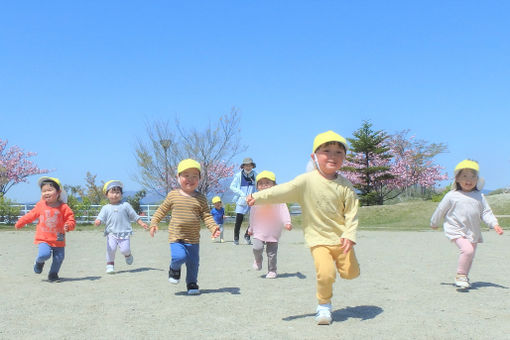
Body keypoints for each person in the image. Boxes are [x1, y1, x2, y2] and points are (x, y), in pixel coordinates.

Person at [247, 131, 360, 325]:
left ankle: (346, 269)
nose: (333, 156)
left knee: (351, 273)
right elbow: (281, 191)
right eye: (327, 151)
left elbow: (352, 213)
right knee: (325, 273)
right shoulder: (306, 181)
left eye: (338, 152)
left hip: (341, 240)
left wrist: (349, 234)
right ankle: (324, 306)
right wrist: (257, 198)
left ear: (344, 157)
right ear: (314, 156)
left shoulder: (346, 186)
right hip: (318, 240)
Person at [149, 159, 220, 295]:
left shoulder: (201, 198)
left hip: (193, 239)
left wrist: (213, 228)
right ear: (178, 177)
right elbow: (161, 210)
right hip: (176, 236)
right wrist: (154, 223)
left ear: (199, 178)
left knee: (193, 263)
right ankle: (174, 268)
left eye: (194, 176)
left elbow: (206, 215)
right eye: (186, 176)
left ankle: (192, 283)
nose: (190, 179)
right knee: (179, 257)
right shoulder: (173, 195)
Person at [431, 159, 503, 289]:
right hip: (456, 229)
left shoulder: (479, 196)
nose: (468, 180)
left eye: (472, 176)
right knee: (467, 250)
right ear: (457, 178)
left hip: (472, 231)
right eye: (464, 176)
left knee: (469, 255)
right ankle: (460, 275)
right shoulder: (451, 195)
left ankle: (464, 276)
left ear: (477, 179)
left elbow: (486, 212)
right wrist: (434, 222)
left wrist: (494, 224)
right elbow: (440, 210)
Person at [14, 177, 76, 282]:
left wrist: (69, 225)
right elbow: (31, 215)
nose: (46, 193)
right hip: (44, 238)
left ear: (58, 192)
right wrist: (21, 222)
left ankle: (53, 274)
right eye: (44, 191)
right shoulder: (40, 205)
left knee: (59, 258)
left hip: (59, 237)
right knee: (44, 254)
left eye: (49, 190)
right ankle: (39, 262)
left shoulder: (64, 207)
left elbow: (71, 220)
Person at [94, 180, 149, 274]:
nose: (115, 195)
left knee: (125, 249)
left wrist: (141, 223)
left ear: (121, 194)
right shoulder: (105, 208)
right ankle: (110, 265)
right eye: (112, 192)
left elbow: (134, 215)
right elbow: (101, 217)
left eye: (117, 192)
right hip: (111, 232)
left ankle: (128, 255)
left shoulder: (125, 205)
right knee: (111, 249)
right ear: (106, 194)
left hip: (124, 232)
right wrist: (98, 221)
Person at [247, 170, 292, 279]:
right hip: (259, 229)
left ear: (274, 185)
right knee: (257, 248)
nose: (264, 186)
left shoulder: (278, 199)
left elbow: (283, 210)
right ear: (257, 187)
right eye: (261, 183)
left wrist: (287, 222)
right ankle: (258, 259)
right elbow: (252, 215)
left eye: (267, 183)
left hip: (274, 230)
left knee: (272, 253)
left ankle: (272, 270)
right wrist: (251, 228)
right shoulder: (256, 200)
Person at [230, 157, 257, 245]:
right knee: (239, 220)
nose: (248, 167)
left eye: (250, 165)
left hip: (252, 199)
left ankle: (247, 235)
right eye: (246, 165)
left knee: (254, 220)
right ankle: (236, 238)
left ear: (252, 166)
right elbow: (232, 186)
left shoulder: (256, 174)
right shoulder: (238, 175)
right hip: (241, 200)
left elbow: (258, 186)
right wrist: (241, 193)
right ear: (243, 166)